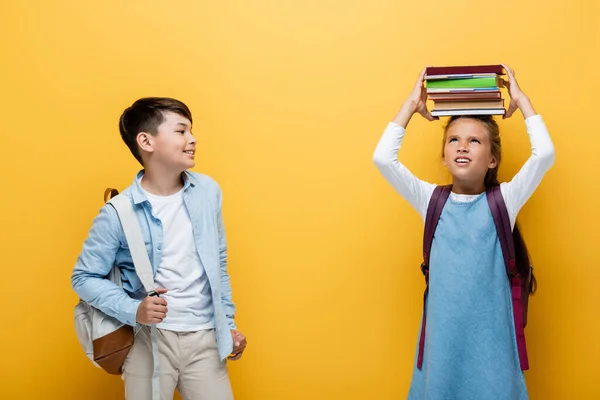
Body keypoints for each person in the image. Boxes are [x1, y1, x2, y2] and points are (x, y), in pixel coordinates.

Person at [372, 65, 555, 399]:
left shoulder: (505, 201)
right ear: (443, 155)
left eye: (474, 141)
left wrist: (521, 100)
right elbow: (383, 159)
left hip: (493, 348)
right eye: (454, 139)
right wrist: (411, 106)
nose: (462, 147)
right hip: (443, 347)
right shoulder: (431, 201)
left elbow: (544, 154)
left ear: (492, 159)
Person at [72, 97, 247, 400]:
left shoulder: (207, 192)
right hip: (148, 342)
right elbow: (83, 277)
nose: (192, 139)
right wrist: (134, 309)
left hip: (205, 338)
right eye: (181, 131)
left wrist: (227, 325)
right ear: (146, 141)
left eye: (191, 130)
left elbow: (218, 263)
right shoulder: (118, 212)